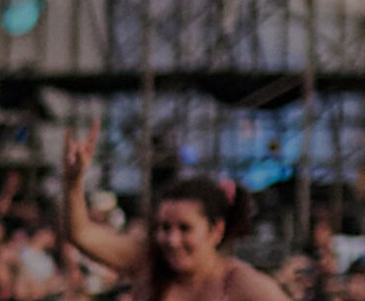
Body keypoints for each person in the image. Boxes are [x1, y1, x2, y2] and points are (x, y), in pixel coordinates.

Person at [58, 118, 290, 301]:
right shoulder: (147, 263)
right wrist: (73, 183)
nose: (172, 240)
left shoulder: (239, 283)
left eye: (185, 228)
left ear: (216, 230)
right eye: (164, 227)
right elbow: (81, 234)